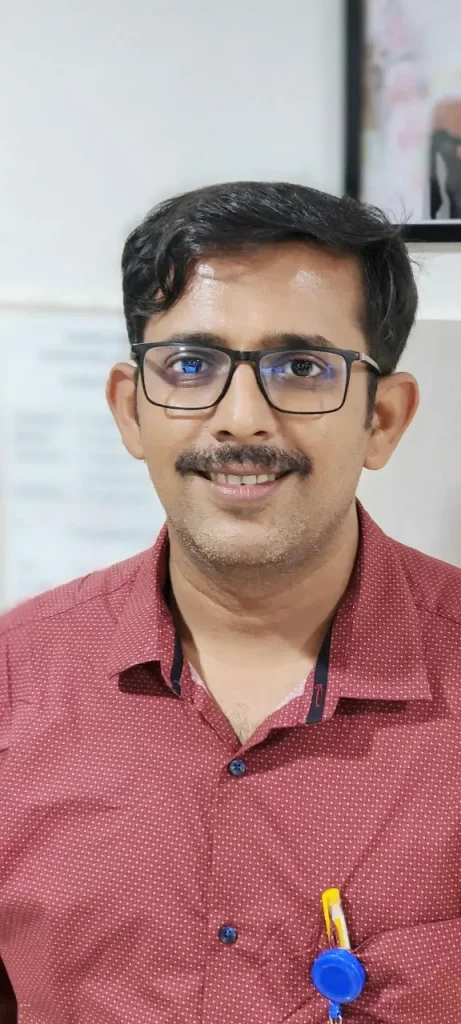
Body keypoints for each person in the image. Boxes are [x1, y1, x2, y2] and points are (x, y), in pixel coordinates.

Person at [0, 181, 460, 1024]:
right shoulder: (11, 682)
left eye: (302, 367)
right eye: (190, 365)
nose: (241, 420)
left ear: (384, 420)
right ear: (130, 410)